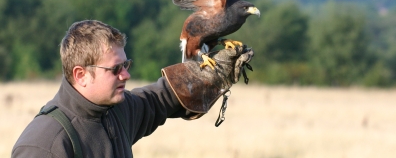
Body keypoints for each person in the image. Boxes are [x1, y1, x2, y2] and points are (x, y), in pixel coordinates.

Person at [12, 20, 254, 158]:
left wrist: (207, 75)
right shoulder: (44, 145)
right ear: (81, 75)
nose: (126, 75)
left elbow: (159, 100)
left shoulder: (115, 110)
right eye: (115, 69)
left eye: (125, 65)